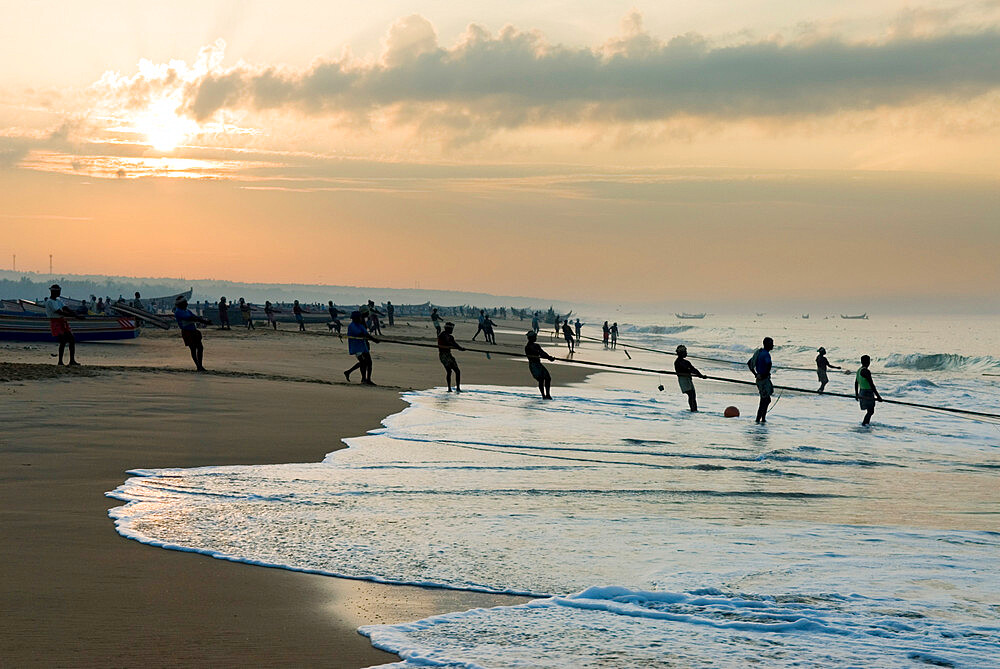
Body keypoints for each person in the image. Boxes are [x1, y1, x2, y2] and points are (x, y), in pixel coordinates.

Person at [44, 284, 81, 366]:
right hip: (56, 322)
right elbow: (60, 312)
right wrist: (75, 316)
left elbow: (65, 308)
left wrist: (75, 314)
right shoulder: (50, 302)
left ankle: (72, 360)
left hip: (62, 321)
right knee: (63, 341)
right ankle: (60, 361)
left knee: (71, 339)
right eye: (58, 291)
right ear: (54, 292)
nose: (60, 293)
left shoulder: (58, 301)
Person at [173, 296, 211, 371]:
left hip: (193, 330)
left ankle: (200, 365)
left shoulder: (186, 310)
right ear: (181, 304)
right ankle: (198, 366)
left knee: (200, 348)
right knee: (193, 349)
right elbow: (191, 318)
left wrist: (204, 321)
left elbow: (194, 317)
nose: (187, 303)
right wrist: (203, 321)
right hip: (187, 332)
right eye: (185, 302)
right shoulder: (178, 312)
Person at [344, 311, 379, 385]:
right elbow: (361, 334)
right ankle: (363, 379)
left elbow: (366, 334)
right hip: (356, 347)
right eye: (359, 317)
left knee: (369, 363)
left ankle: (368, 379)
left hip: (363, 346)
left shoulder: (360, 325)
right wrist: (373, 339)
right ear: (355, 318)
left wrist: (374, 339)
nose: (361, 319)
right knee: (363, 362)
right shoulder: (352, 326)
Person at [748, 337, 775, 423]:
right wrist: (764, 375)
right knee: (764, 401)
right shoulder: (766, 354)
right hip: (763, 380)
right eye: (771, 343)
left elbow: (749, 363)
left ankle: (762, 419)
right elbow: (768, 365)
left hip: (760, 378)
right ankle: (759, 420)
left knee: (766, 400)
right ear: (767, 344)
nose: (773, 345)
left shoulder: (760, 352)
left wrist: (755, 374)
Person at [674, 345, 707, 412]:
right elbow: (688, 369)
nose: (686, 353)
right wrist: (699, 375)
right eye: (685, 352)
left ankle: (694, 409)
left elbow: (693, 369)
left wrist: (701, 375)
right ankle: (693, 410)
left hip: (688, 379)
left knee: (693, 395)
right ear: (680, 353)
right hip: (683, 379)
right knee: (691, 394)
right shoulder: (678, 362)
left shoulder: (686, 362)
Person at [525, 331, 556, 399]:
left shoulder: (536, 345)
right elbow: (531, 356)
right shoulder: (527, 347)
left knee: (548, 378)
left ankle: (548, 394)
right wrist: (547, 357)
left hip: (538, 364)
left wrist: (549, 357)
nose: (536, 338)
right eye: (534, 337)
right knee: (541, 379)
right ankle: (543, 395)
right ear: (531, 338)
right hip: (533, 365)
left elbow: (542, 353)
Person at [855, 355, 883, 426]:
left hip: (861, 391)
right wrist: (878, 396)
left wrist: (857, 394)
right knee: (870, 411)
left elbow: (856, 382)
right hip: (867, 392)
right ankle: (865, 424)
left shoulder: (859, 370)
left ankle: (865, 424)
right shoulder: (866, 371)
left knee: (870, 411)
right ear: (868, 362)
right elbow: (871, 384)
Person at [437, 322, 466, 392]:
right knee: (449, 371)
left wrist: (460, 348)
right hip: (443, 355)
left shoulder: (450, 337)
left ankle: (458, 388)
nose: (452, 330)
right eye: (451, 329)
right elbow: (449, 343)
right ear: (448, 329)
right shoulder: (442, 335)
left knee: (457, 371)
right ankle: (449, 388)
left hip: (449, 354)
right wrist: (457, 347)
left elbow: (454, 343)